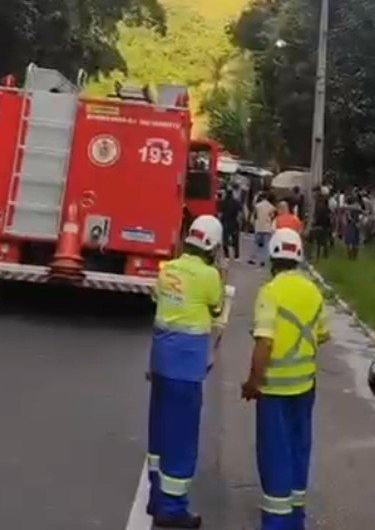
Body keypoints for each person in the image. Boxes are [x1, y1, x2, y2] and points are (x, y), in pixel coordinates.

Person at [241, 228, 329, 530]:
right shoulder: (313, 291)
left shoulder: (271, 292)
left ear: (273, 256)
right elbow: (323, 335)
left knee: (274, 454)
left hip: (275, 389)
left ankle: (276, 524)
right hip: (305, 386)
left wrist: (253, 382)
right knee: (298, 449)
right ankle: (295, 520)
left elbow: (264, 343)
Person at [147, 215, 227, 528]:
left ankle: (157, 496)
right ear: (212, 246)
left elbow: (158, 300)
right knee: (182, 438)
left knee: (161, 429)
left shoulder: (169, 268)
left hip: (161, 362)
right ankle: (173, 508)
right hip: (186, 367)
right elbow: (217, 309)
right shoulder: (209, 276)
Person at [252, 192, 277, 267]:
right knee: (266, 245)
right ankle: (263, 261)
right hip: (267, 227)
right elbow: (272, 217)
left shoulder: (258, 205)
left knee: (257, 244)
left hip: (259, 226)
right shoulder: (272, 207)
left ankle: (253, 258)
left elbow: (255, 215)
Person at [219, 188, 241, 261]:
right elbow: (240, 214)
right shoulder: (236, 202)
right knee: (235, 239)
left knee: (225, 239)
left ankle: (227, 256)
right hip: (234, 223)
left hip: (225, 222)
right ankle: (236, 256)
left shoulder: (223, 202)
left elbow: (220, 213)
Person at [310, 191, 332, 261]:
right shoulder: (324, 205)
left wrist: (314, 222)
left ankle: (318, 256)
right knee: (324, 241)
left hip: (319, 224)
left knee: (318, 241)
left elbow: (316, 215)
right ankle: (325, 255)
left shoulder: (318, 205)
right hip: (325, 224)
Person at [342, 194, 362, 260]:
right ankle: (354, 256)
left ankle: (350, 256)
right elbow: (361, 215)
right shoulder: (358, 206)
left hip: (350, 225)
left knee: (349, 242)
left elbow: (348, 217)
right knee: (356, 242)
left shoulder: (348, 207)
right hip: (357, 224)